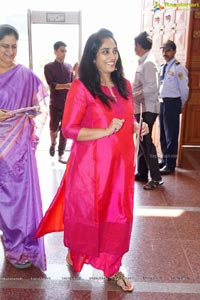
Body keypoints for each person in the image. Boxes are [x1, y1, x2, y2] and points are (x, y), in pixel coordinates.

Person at [36, 28, 149, 292]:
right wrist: (105, 131)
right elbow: (68, 129)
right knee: (88, 214)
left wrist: (135, 126)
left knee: (118, 215)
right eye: (105, 51)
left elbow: (126, 116)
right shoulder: (82, 87)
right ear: (93, 57)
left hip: (120, 166)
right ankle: (78, 253)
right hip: (91, 167)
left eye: (114, 50)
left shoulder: (125, 86)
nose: (112, 56)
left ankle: (113, 267)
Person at [0, 24, 47, 270]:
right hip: (1, 149)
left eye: (14, 46)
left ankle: (20, 246)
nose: (10, 51)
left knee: (20, 198)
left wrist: (30, 112)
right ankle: (9, 239)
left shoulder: (26, 75)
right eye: (5, 46)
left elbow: (41, 104)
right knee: (3, 199)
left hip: (20, 149)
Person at [132, 31, 163, 190]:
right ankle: (142, 173)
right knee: (142, 140)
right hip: (142, 107)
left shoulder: (149, 63)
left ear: (142, 46)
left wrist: (132, 95)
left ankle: (156, 178)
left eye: (135, 45)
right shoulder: (144, 62)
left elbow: (151, 88)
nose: (134, 48)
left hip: (148, 108)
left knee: (146, 141)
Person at [159, 40, 189, 175]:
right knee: (163, 135)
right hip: (163, 103)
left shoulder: (179, 68)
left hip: (172, 103)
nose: (165, 53)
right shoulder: (163, 67)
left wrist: (180, 104)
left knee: (171, 135)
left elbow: (184, 90)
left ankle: (170, 164)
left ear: (174, 51)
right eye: (163, 50)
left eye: (168, 50)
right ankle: (165, 160)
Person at [44, 41, 74, 164]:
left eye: (65, 51)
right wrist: (67, 85)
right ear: (55, 52)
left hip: (68, 104)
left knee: (65, 130)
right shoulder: (48, 67)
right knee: (54, 129)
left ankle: (61, 154)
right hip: (55, 104)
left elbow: (72, 85)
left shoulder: (69, 67)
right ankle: (53, 143)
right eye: (62, 51)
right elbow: (52, 85)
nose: (64, 53)